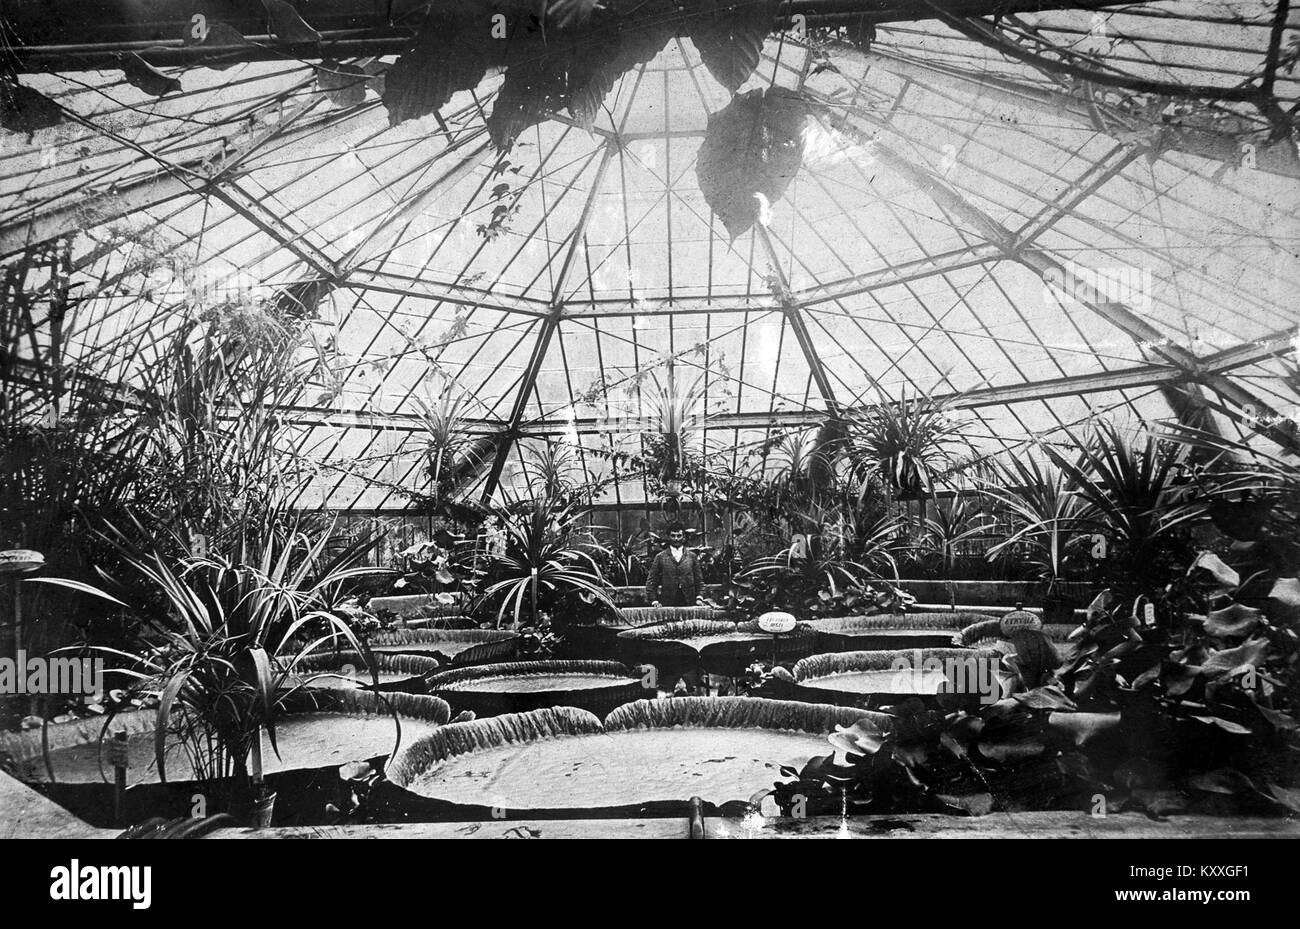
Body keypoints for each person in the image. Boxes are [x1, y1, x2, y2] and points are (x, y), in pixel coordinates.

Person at [645, 522, 704, 608]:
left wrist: (699, 598)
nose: (676, 539)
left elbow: (699, 581)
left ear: (683, 537)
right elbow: (651, 581)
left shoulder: (692, 556)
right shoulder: (660, 557)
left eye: (679, 536)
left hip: (689, 601)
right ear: (669, 537)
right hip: (667, 602)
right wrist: (654, 601)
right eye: (673, 536)